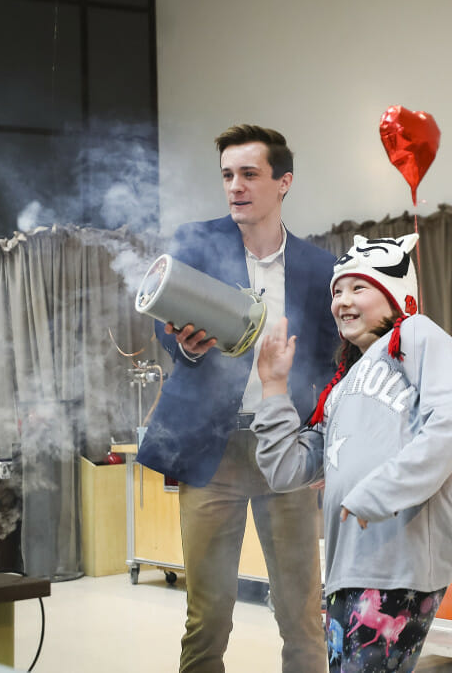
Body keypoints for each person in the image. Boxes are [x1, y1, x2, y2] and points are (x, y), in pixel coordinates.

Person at [137, 124, 336, 672]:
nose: (235, 186)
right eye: (227, 175)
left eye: (250, 174)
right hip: (212, 451)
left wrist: (321, 446)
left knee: (303, 615)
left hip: (286, 453)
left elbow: (329, 366)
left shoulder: (321, 269)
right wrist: (188, 346)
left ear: (283, 182)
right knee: (209, 616)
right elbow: (164, 333)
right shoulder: (195, 244)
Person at [252, 233, 452, 672]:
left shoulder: (415, 334)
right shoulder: (342, 385)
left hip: (398, 564)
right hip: (348, 567)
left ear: (397, 297)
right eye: (337, 291)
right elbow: (286, 470)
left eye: (359, 287)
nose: (342, 300)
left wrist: (377, 492)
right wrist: (273, 387)